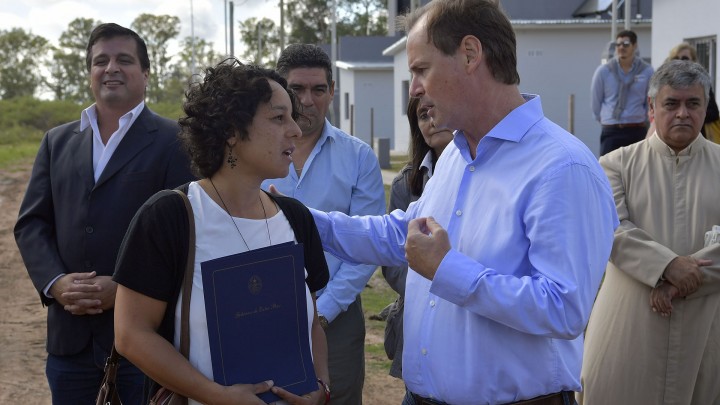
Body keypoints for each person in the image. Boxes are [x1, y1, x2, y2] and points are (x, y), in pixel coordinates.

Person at [307, 1, 618, 404]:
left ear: (470, 54)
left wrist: (447, 269)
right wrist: (298, 219)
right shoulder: (456, 153)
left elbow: (564, 308)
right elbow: (405, 234)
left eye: (421, 69)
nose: (415, 87)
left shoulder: (563, 167)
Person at [112, 60, 331, 405]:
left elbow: (312, 325)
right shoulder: (171, 217)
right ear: (231, 130)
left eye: (292, 117)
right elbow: (131, 335)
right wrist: (216, 396)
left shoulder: (296, 219)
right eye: (278, 118)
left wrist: (319, 388)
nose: (296, 130)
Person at [13, 23, 195, 404]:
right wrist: (56, 283)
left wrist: (129, 289)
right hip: (70, 342)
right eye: (101, 61)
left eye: (124, 60)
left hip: (146, 345)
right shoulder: (57, 141)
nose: (111, 67)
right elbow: (32, 225)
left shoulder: (175, 141)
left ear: (145, 73)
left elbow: (187, 236)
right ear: (90, 73)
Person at [580, 60, 720, 405]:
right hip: (629, 323)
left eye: (693, 104)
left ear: (706, 108)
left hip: (707, 324)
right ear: (652, 108)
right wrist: (666, 267)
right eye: (672, 104)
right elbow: (611, 230)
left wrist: (674, 282)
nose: (683, 114)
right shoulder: (614, 164)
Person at [262, 44, 385, 404]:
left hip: (337, 316)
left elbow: (366, 248)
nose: (307, 100)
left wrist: (324, 310)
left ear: (332, 91)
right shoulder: (250, 155)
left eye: (318, 89)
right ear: (279, 91)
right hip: (261, 308)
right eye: (296, 89)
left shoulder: (359, 157)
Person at [381, 96, 453, 379]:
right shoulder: (405, 183)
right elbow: (393, 261)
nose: (431, 121)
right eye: (422, 116)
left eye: (436, 111)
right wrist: (438, 283)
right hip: (419, 315)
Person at [591, 30, 654, 155]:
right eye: (618, 44)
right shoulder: (604, 71)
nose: (621, 48)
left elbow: (650, 99)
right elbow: (596, 101)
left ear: (635, 46)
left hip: (636, 128)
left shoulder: (646, 71)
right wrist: (606, 119)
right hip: (612, 130)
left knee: (637, 171)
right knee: (607, 170)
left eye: (625, 44)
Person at [645, 42, 720, 140]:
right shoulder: (662, 82)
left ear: (693, 60)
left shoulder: (701, 84)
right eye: (676, 58)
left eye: (685, 58)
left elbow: (713, 113)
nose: (682, 113)